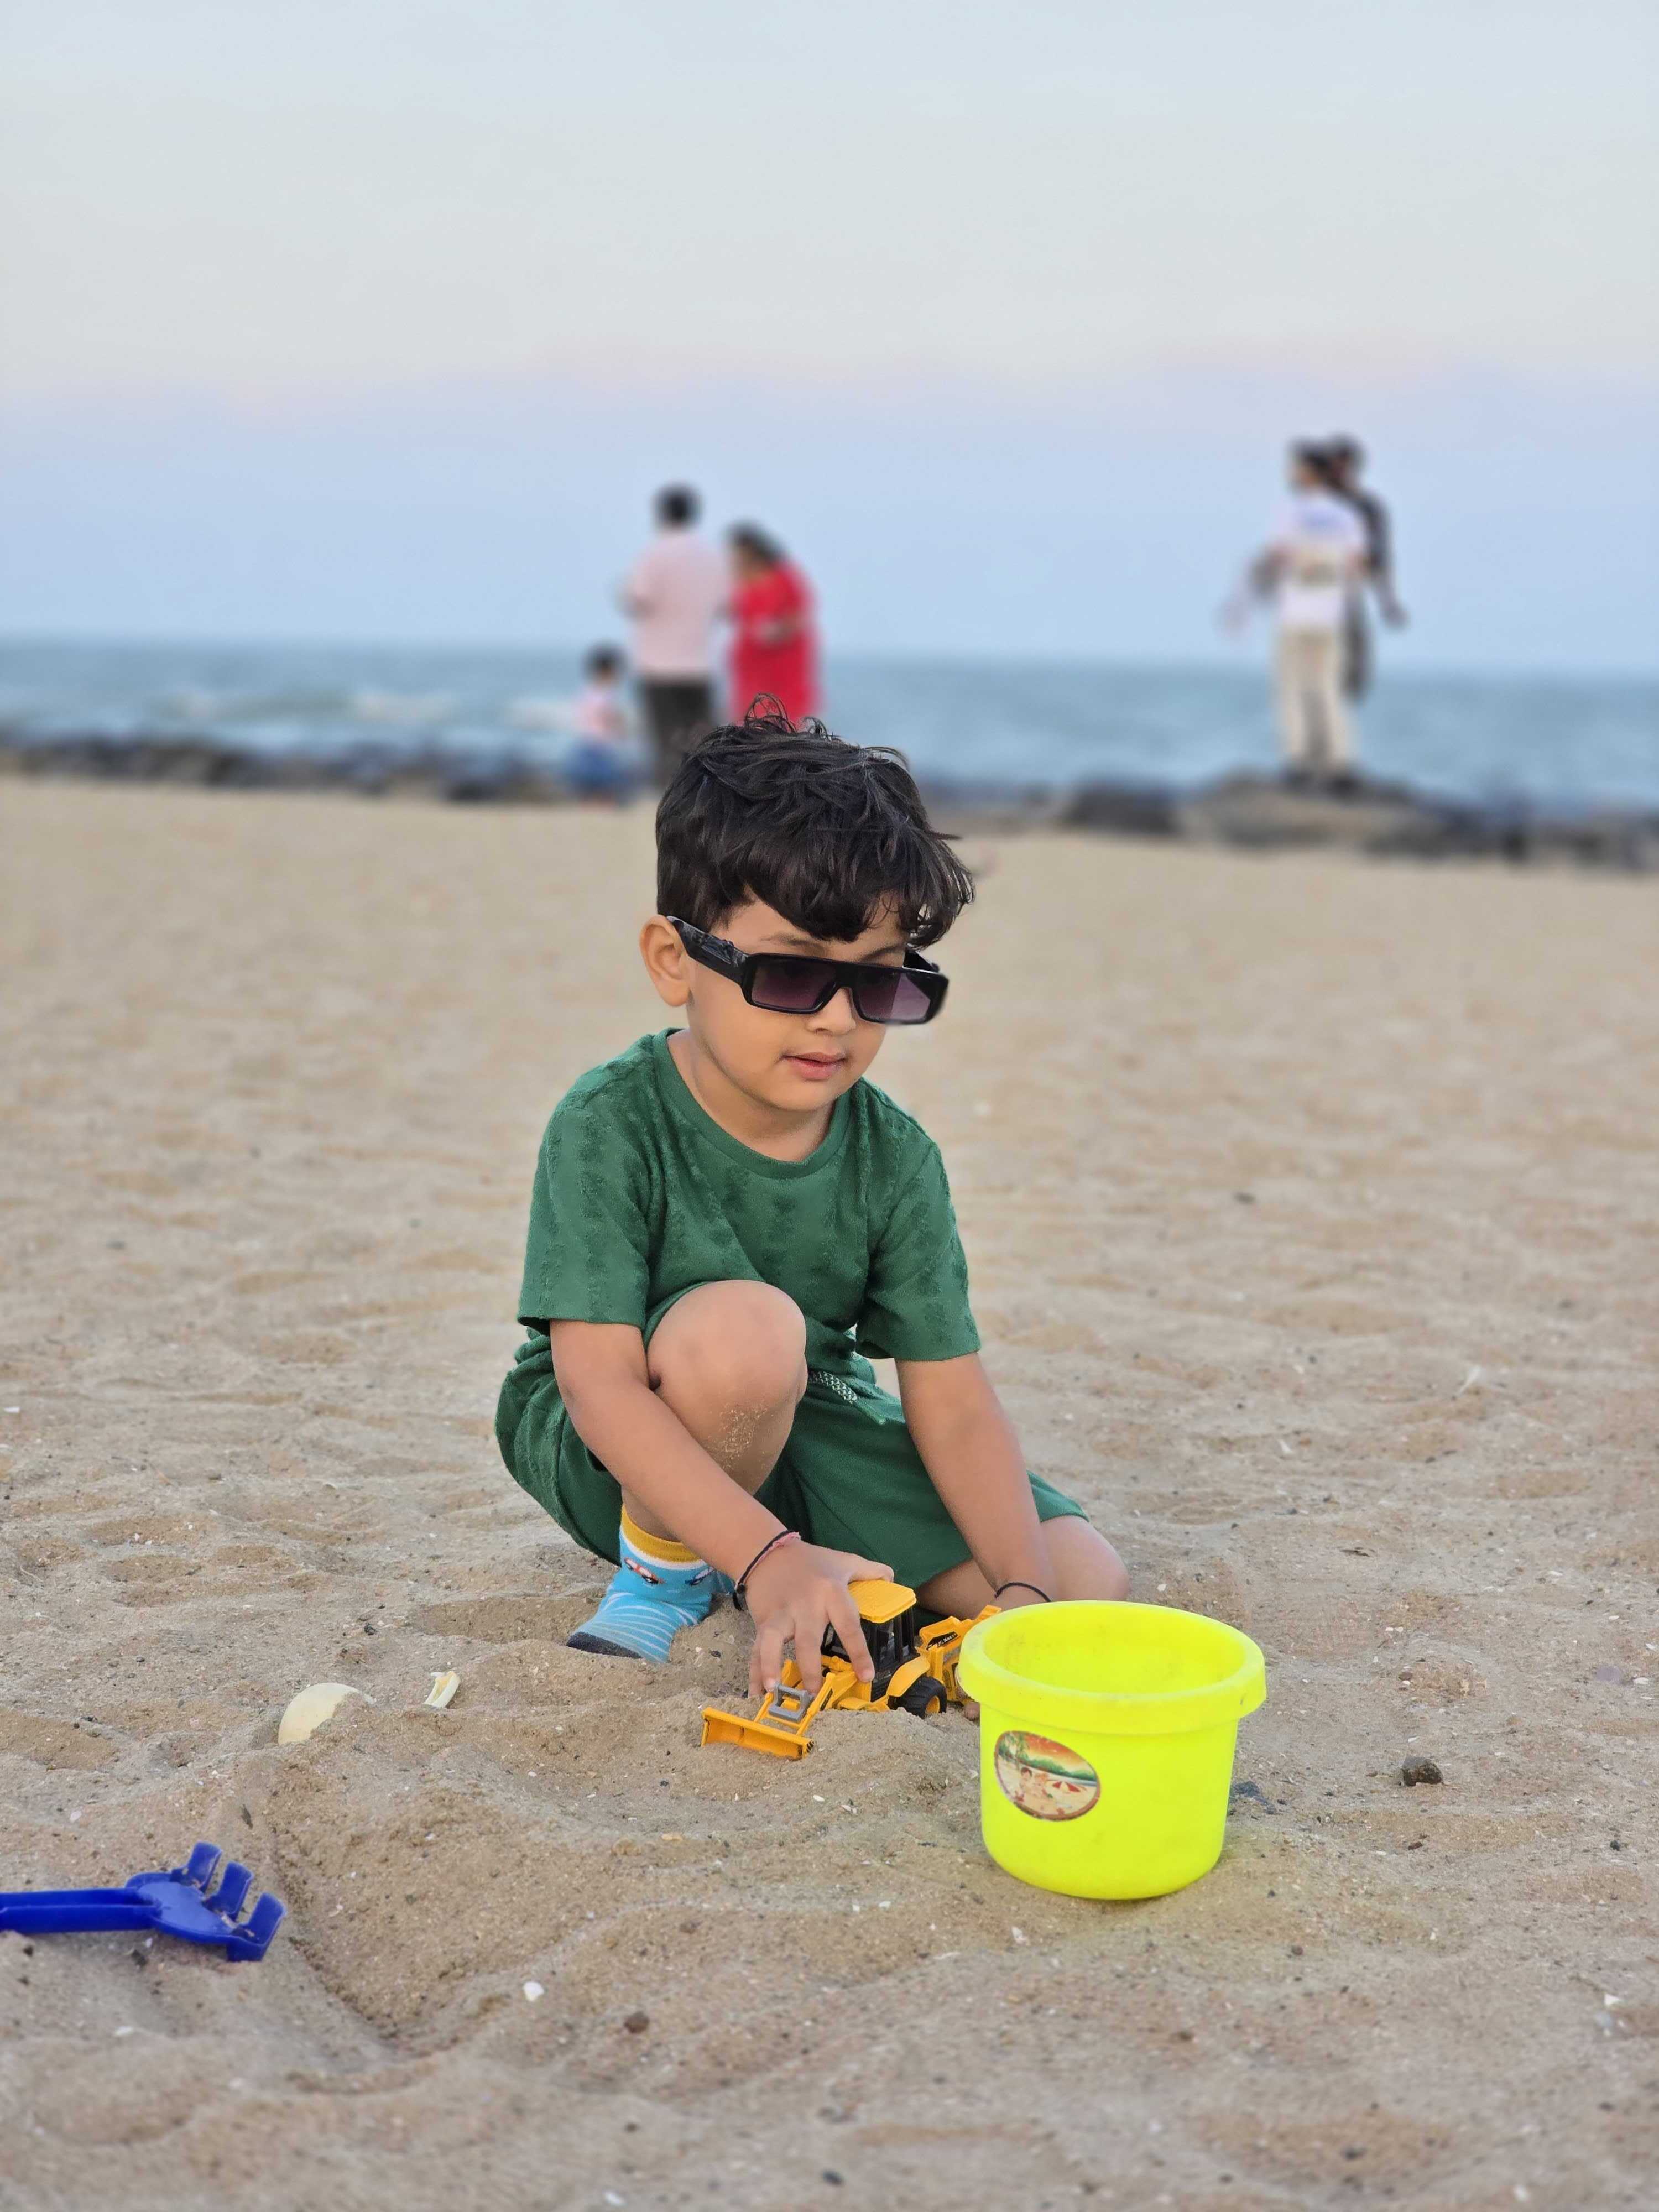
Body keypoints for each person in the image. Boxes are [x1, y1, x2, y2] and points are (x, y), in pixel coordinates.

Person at [494, 713, 1128, 1692]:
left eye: (877, 984)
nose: (836, 1020)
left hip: (810, 1412)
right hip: (619, 1440)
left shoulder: (895, 1157)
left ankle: (817, 1567)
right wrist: (769, 1562)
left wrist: (1021, 1602)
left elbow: (951, 1402)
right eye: (791, 973)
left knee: (1084, 1577)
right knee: (746, 1334)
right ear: (675, 962)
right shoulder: (610, 1122)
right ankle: (671, 1576)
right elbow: (597, 1385)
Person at [1226, 442, 1368, 787]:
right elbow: (1357, 566)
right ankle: (1339, 761)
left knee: (1291, 688)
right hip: (1330, 613)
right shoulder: (1347, 515)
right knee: (1329, 688)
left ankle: (1300, 759)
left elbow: (1276, 557)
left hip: (1295, 611)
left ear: (1308, 473)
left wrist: (1248, 599)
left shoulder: (1289, 513)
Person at [622, 486, 727, 780]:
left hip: (658, 663)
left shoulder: (654, 554)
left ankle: (671, 800)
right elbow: (726, 606)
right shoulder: (712, 557)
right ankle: (709, 795)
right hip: (700, 662)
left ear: (661, 514)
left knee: (665, 740)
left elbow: (638, 600)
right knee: (703, 738)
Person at [1322, 436, 1407, 703]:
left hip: (1348, 592)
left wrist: (1388, 602)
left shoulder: (1368, 507)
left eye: (1344, 466)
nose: (1339, 472)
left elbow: (1380, 559)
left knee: (1355, 666)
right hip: (1314, 593)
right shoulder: (1312, 506)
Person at [728, 525, 820, 724]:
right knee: (749, 726)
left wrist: (772, 632)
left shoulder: (784, 578)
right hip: (751, 670)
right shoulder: (742, 583)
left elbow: (798, 617)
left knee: (785, 722)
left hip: (782, 667)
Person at [564, 645, 635, 805]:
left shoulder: (586, 692)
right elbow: (611, 718)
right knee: (607, 785)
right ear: (609, 672)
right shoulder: (606, 695)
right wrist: (623, 731)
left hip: (584, 744)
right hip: (601, 747)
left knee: (587, 786)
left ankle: (590, 806)